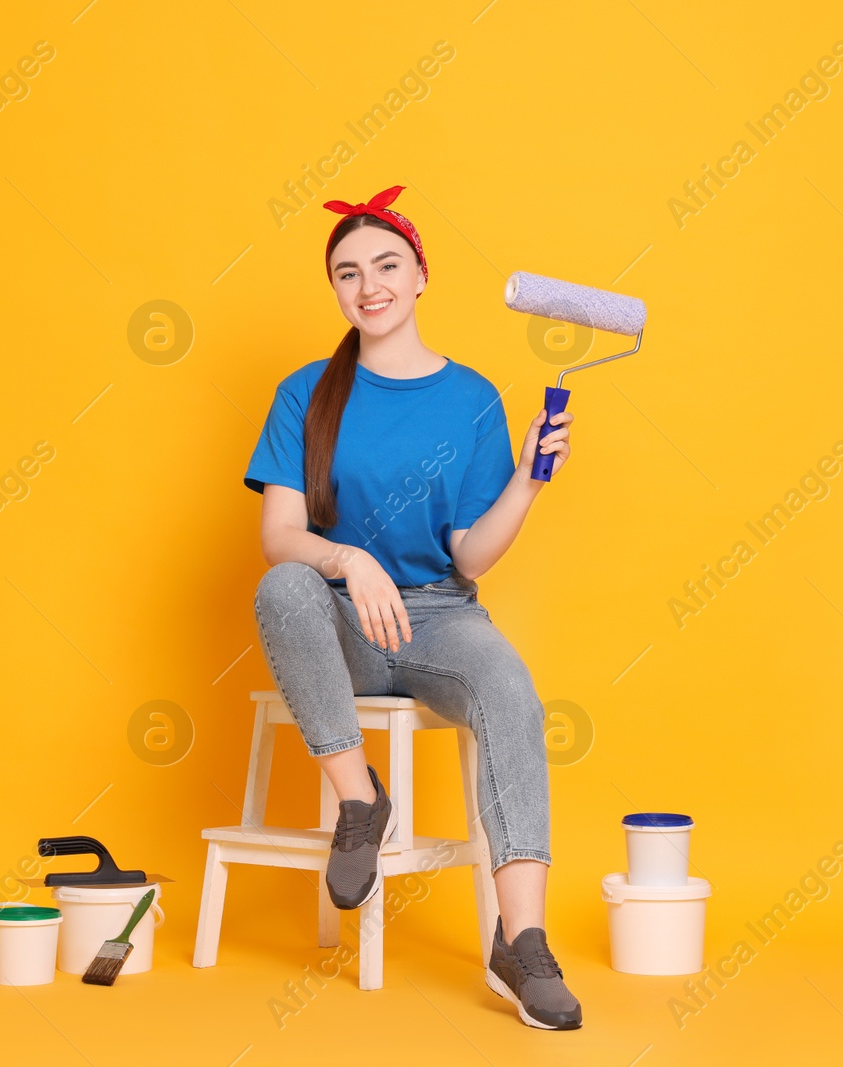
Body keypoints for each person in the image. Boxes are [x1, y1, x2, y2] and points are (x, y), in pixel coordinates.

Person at [242, 185, 581, 1031]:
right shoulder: (306, 391)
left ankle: (523, 940)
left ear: (421, 275)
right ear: (337, 291)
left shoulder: (470, 398)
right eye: (348, 273)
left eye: (386, 265)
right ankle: (360, 801)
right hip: (339, 621)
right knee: (283, 585)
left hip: (440, 619)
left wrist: (530, 482)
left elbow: (469, 553)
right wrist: (347, 558)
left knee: (508, 687)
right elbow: (281, 534)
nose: (369, 285)